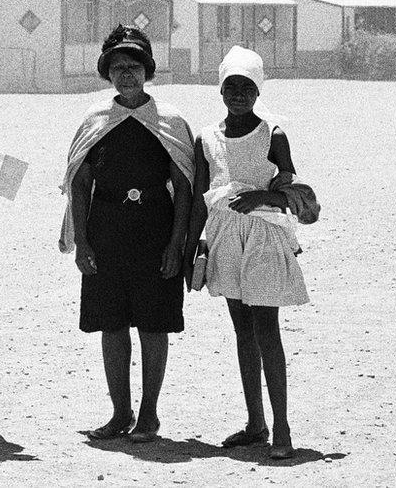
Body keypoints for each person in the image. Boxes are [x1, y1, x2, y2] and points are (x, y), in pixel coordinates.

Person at [182, 45, 320, 460]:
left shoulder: (272, 134)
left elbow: (289, 190)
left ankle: (282, 428)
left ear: (258, 90)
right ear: (220, 89)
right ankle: (254, 423)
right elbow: (199, 197)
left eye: (247, 86)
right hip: (225, 235)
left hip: (264, 234)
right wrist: (192, 248)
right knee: (243, 332)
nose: (238, 93)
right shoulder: (207, 137)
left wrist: (261, 193)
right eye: (231, 86)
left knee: (266, 330)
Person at [59, 25, 194, 443]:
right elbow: (79, 185)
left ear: (147, 70)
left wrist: (177, 245)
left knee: (154, 325)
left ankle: (149, 415)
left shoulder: (170, 121)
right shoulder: (95, 121)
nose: (126, 74)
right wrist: (82, 242)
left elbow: (185, 186)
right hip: (106, 230)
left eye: (134, 66)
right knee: (111, 325)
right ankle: (120, 413)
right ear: (107, 73)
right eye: (118, 67)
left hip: (155, 230)